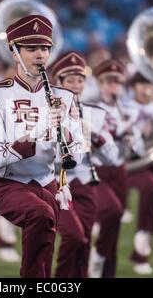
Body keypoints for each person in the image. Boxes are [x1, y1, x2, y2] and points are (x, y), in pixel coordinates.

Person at [0, 14, 83, 278]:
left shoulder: (65, 97)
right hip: (7, 182)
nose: (40, 55)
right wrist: (38, 134)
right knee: (40, 214)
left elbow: (79, 153)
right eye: (31, 49)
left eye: (45, 48)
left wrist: (67, 137)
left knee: (61, 242)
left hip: (48, 182)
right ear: (14, 52)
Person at [50, 51, 120, 277]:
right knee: (73, 237)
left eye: (80, 80)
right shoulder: (47, 112)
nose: (76, 85)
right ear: (58, 83)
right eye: (69, 80)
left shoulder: (96, 113)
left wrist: (96, 137)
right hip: (57, 184)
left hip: (87, 182)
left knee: (84, 241)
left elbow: (112, 157)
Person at [88, 58, 144, 277]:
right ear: (101, 84)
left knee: (115, 222)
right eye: (109, 82)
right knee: (111, 211)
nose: (113, 87)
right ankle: (95, 258)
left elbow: (138, 147)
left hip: (119, 169)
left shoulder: (129, 111)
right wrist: (116, 135)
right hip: (97, 168)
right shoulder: (91, 108)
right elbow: (93, 140)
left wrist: (132, 136)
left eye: (117, 83)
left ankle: (106, 269)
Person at [126, 72, 153, 275]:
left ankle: (143, 246)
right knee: (150, 190)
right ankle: (141, 251)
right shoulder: (126, 106)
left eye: (148, 83)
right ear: (133, 86)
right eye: (141, 84)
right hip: (134, 160)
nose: (145, 88)